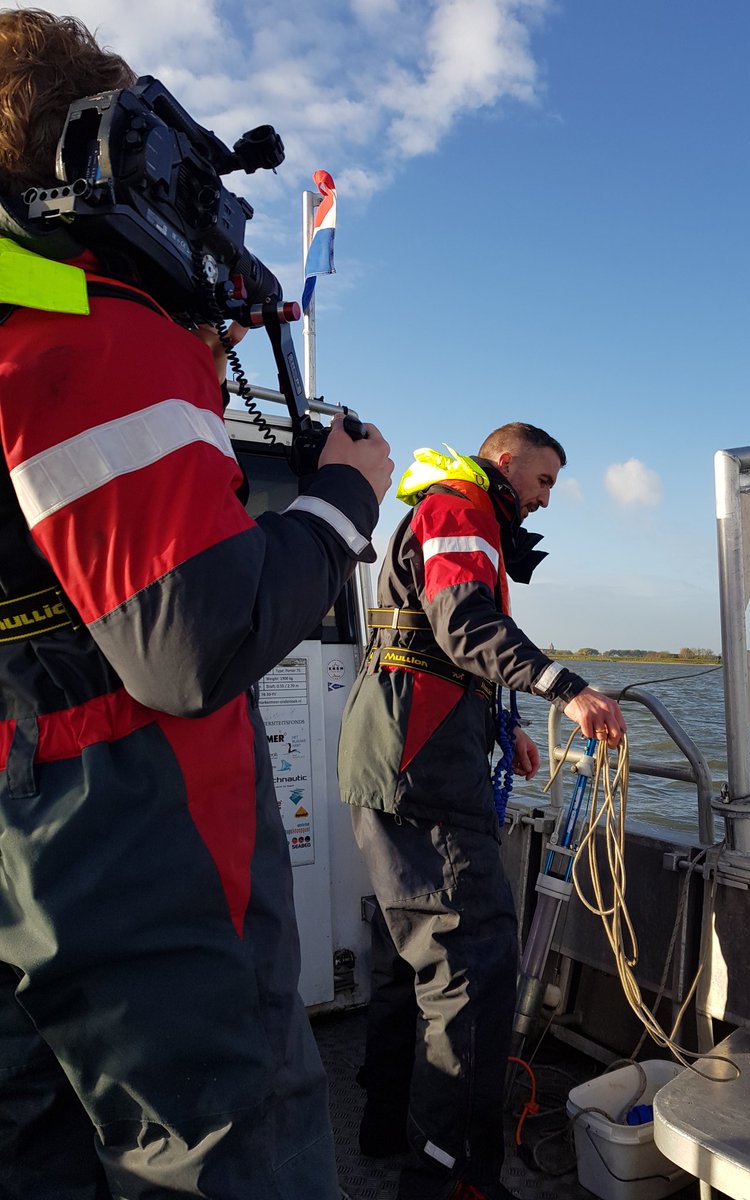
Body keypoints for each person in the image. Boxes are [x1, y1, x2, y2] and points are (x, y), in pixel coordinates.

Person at [0, 10, 393, 1199]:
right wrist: (340, 500)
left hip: (29, 828)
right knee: (232, 1150)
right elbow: (188, 639)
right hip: (136, 836)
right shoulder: (73, 311)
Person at [337, 424, 625, 1200]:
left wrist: (509, 727)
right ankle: (453, 1178)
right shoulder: (463, 504)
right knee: (472, 965)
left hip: (401, 752)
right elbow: (464, 624)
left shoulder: (458, 510)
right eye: (543, 481)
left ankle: (389, 1127)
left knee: (413, 958)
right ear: (506, 463)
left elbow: (433, 639)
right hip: (422, 766)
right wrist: (567, 690)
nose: (544, 499)